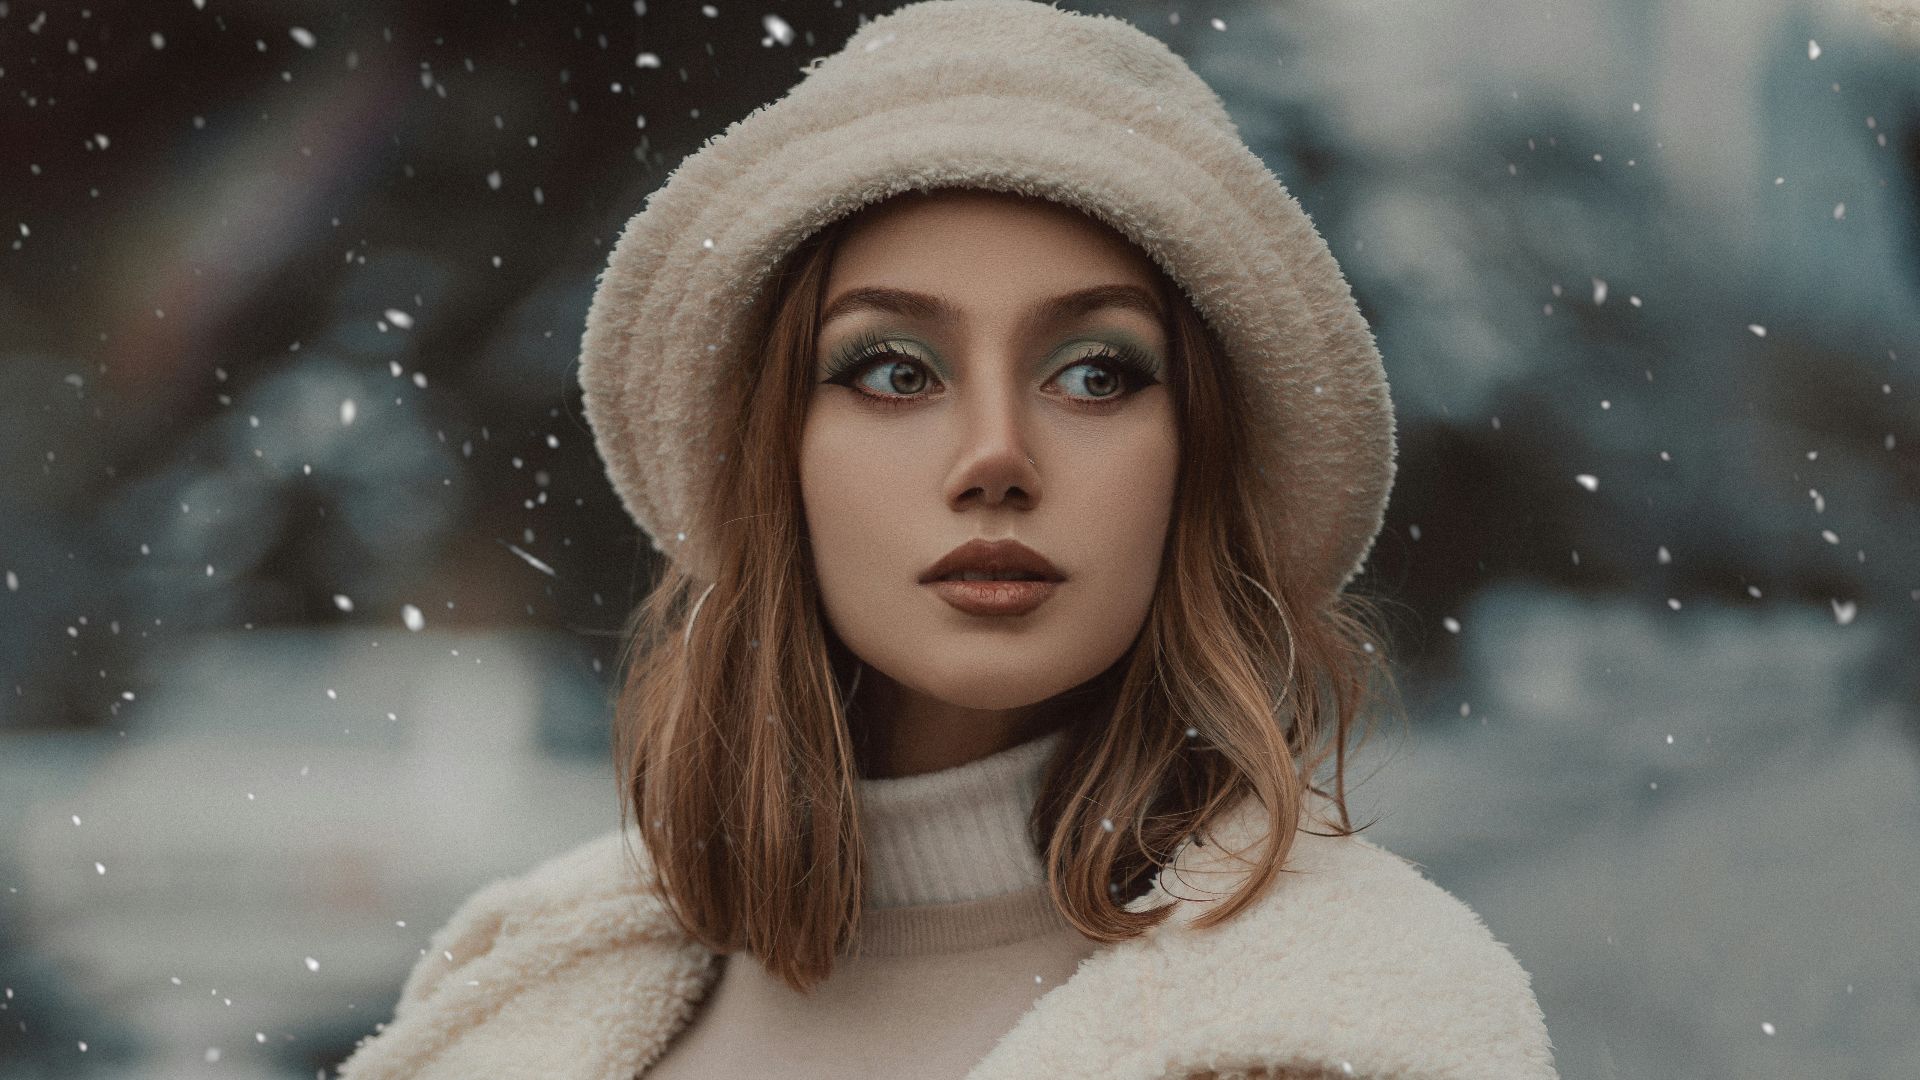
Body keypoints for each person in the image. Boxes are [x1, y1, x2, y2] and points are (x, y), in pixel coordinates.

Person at [333, 1, 1558, 1078]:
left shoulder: (1356, 1021)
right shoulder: (529, 965)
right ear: (775, 461)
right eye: (891, 368)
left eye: (1094, 373)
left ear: (1197, 465)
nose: (994, 459)